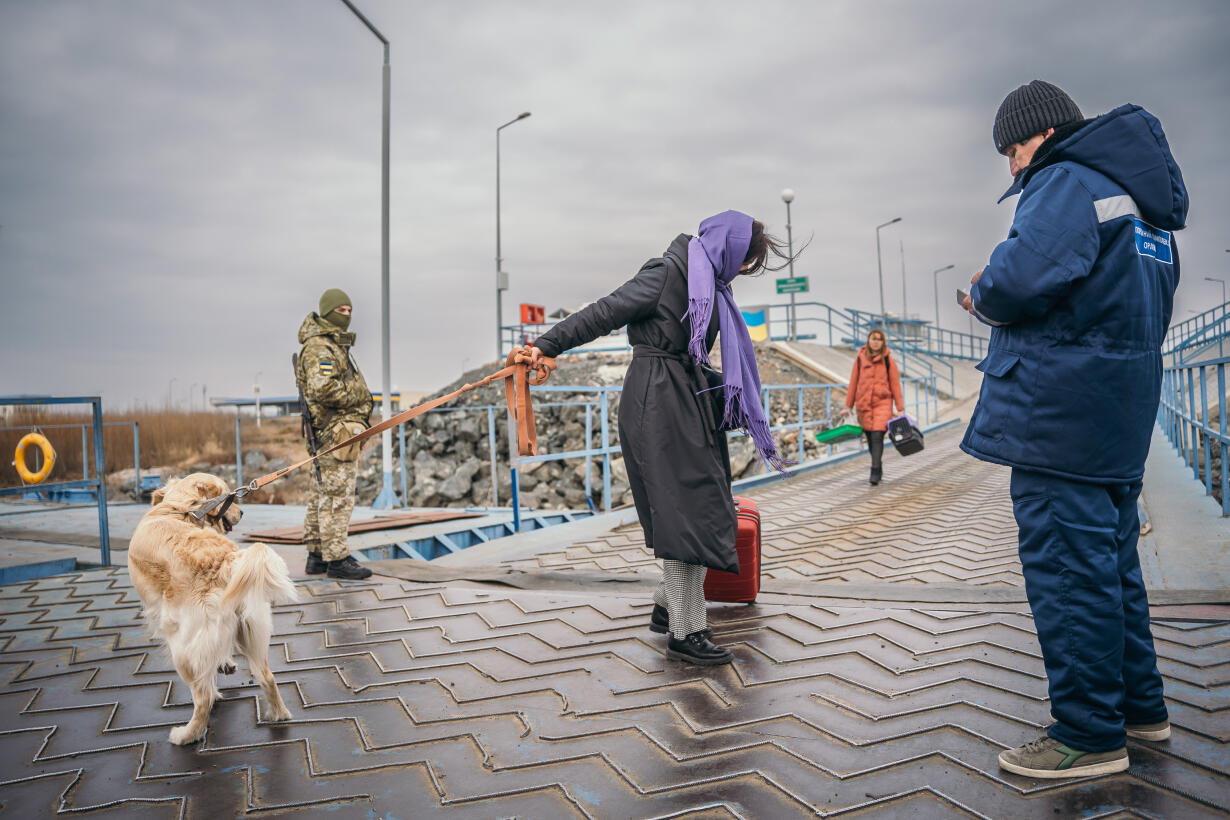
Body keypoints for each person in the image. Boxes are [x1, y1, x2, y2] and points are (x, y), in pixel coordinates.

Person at [961, 80, 1187, 778]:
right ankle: (1141, 711)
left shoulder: (1063, 181)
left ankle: (1088, 734)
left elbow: (1022, 278)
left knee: (1067, 571)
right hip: (1117, 412)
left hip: (1058, 414)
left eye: (1015, 148)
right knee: (1111, 568)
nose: (1011, 166)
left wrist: (984, 287)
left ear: (1047, 134)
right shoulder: (1143, 205)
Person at [527, 211, 791, 665]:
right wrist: (547, 345)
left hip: (681, 398)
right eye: (745, 260)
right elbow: (605, 311)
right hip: (657, 399)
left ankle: (668, 607)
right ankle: (687, 632)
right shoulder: (669, 272)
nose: (744, 270)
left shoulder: (706, 280)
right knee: (683, 511)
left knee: (700, 504)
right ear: (727, 249)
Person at [296, 288, 374, 580]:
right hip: (333, 432)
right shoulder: (320, 347)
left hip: (331, 432)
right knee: (337, 497)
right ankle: (337, 560)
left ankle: (317, 555)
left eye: (349, 311)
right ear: (327, 312)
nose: (347, 316)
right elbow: (323, 388)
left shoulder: (331, 344)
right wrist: (361, 394)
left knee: (322, 494)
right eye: (340, 311)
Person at [842, 328, 904, 485]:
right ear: (868, 341)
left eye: (879, 339)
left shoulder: (889, 361)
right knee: (869, 437)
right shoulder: (860, 359)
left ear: (883, 342)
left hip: (882, 404)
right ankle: (878, 464)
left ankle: (875, 470)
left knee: (877, 436)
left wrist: (900, 408)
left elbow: (895, 385)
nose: (876, 341)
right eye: (873, 338)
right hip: (863, 405)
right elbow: (853, 383)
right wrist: (848, 406)